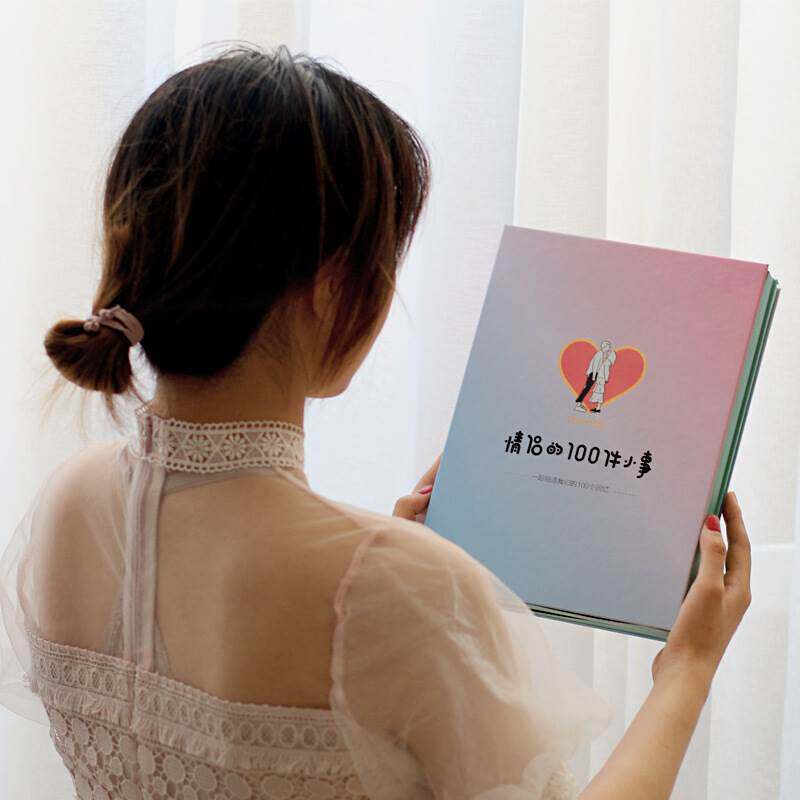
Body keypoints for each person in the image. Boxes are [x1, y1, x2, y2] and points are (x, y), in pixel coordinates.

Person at [0, 44, 751, 800]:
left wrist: (390, 570)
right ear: (329, 287)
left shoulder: (68, 502)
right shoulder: (404, 591)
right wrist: (687, 668)